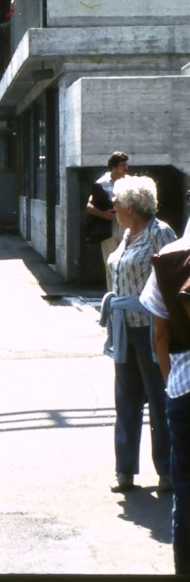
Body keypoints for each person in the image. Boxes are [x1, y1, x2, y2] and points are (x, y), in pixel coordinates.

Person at [99, 175, 174, 493]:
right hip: (124, 330)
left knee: (159, 401)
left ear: (130, 205)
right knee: (126, 401)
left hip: (152, 329)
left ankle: (168, 471)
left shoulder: (160, 232)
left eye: (116, 201)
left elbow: (173, 280)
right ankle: (125, 470)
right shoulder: (127, 233)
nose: (112, 206)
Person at [141, 216, 190, 574]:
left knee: (186, 489)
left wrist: (169, 380)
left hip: (184, 387)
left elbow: (159, 333)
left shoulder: (169, 258)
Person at [87, 151, 129, 285]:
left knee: (127, 262)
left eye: (126, 165)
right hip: (108, 227)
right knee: (110, 263)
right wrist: (104, 214)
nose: (126, 168)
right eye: (123, 165)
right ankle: (112, 296)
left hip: (126, 226)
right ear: (114, 166)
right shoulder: (101, 183)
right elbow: (89, 206)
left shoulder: (129, 182)